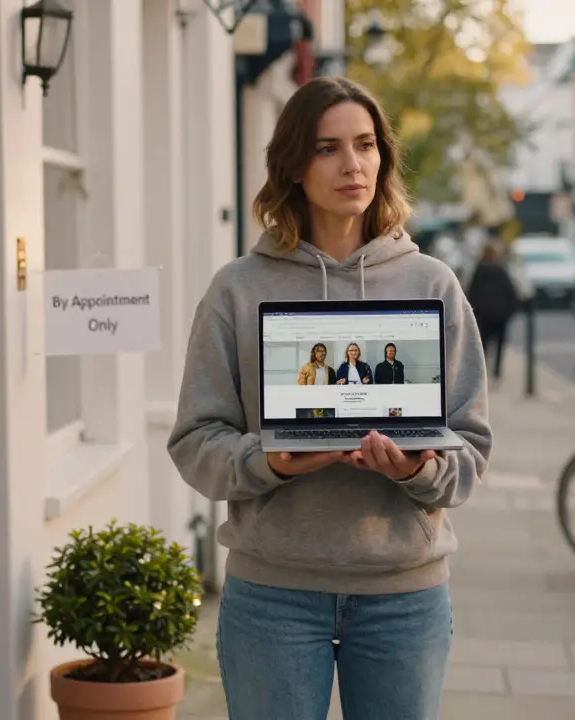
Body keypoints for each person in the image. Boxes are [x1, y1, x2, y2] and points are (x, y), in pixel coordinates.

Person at [167, 75, 492, 720]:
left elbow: (471, 445)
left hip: (404, 596)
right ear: (292, 165)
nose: (353, 165)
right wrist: (269, 463)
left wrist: (422, 469)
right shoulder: (238, 289)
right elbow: (194, 440)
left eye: (366, 145)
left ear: (384, 158)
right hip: (274, 595)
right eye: (328, 148)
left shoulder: (432, 283)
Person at [466, 242, 521, 383]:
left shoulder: (479, 270)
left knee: (482, 345)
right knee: (499, 346)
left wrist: (474, 311)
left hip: (483, 315)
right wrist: (509, 312)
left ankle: (482, 374)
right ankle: (497, 374)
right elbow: (511, 293)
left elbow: (472, 293)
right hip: (500, 315)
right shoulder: (501, 270)